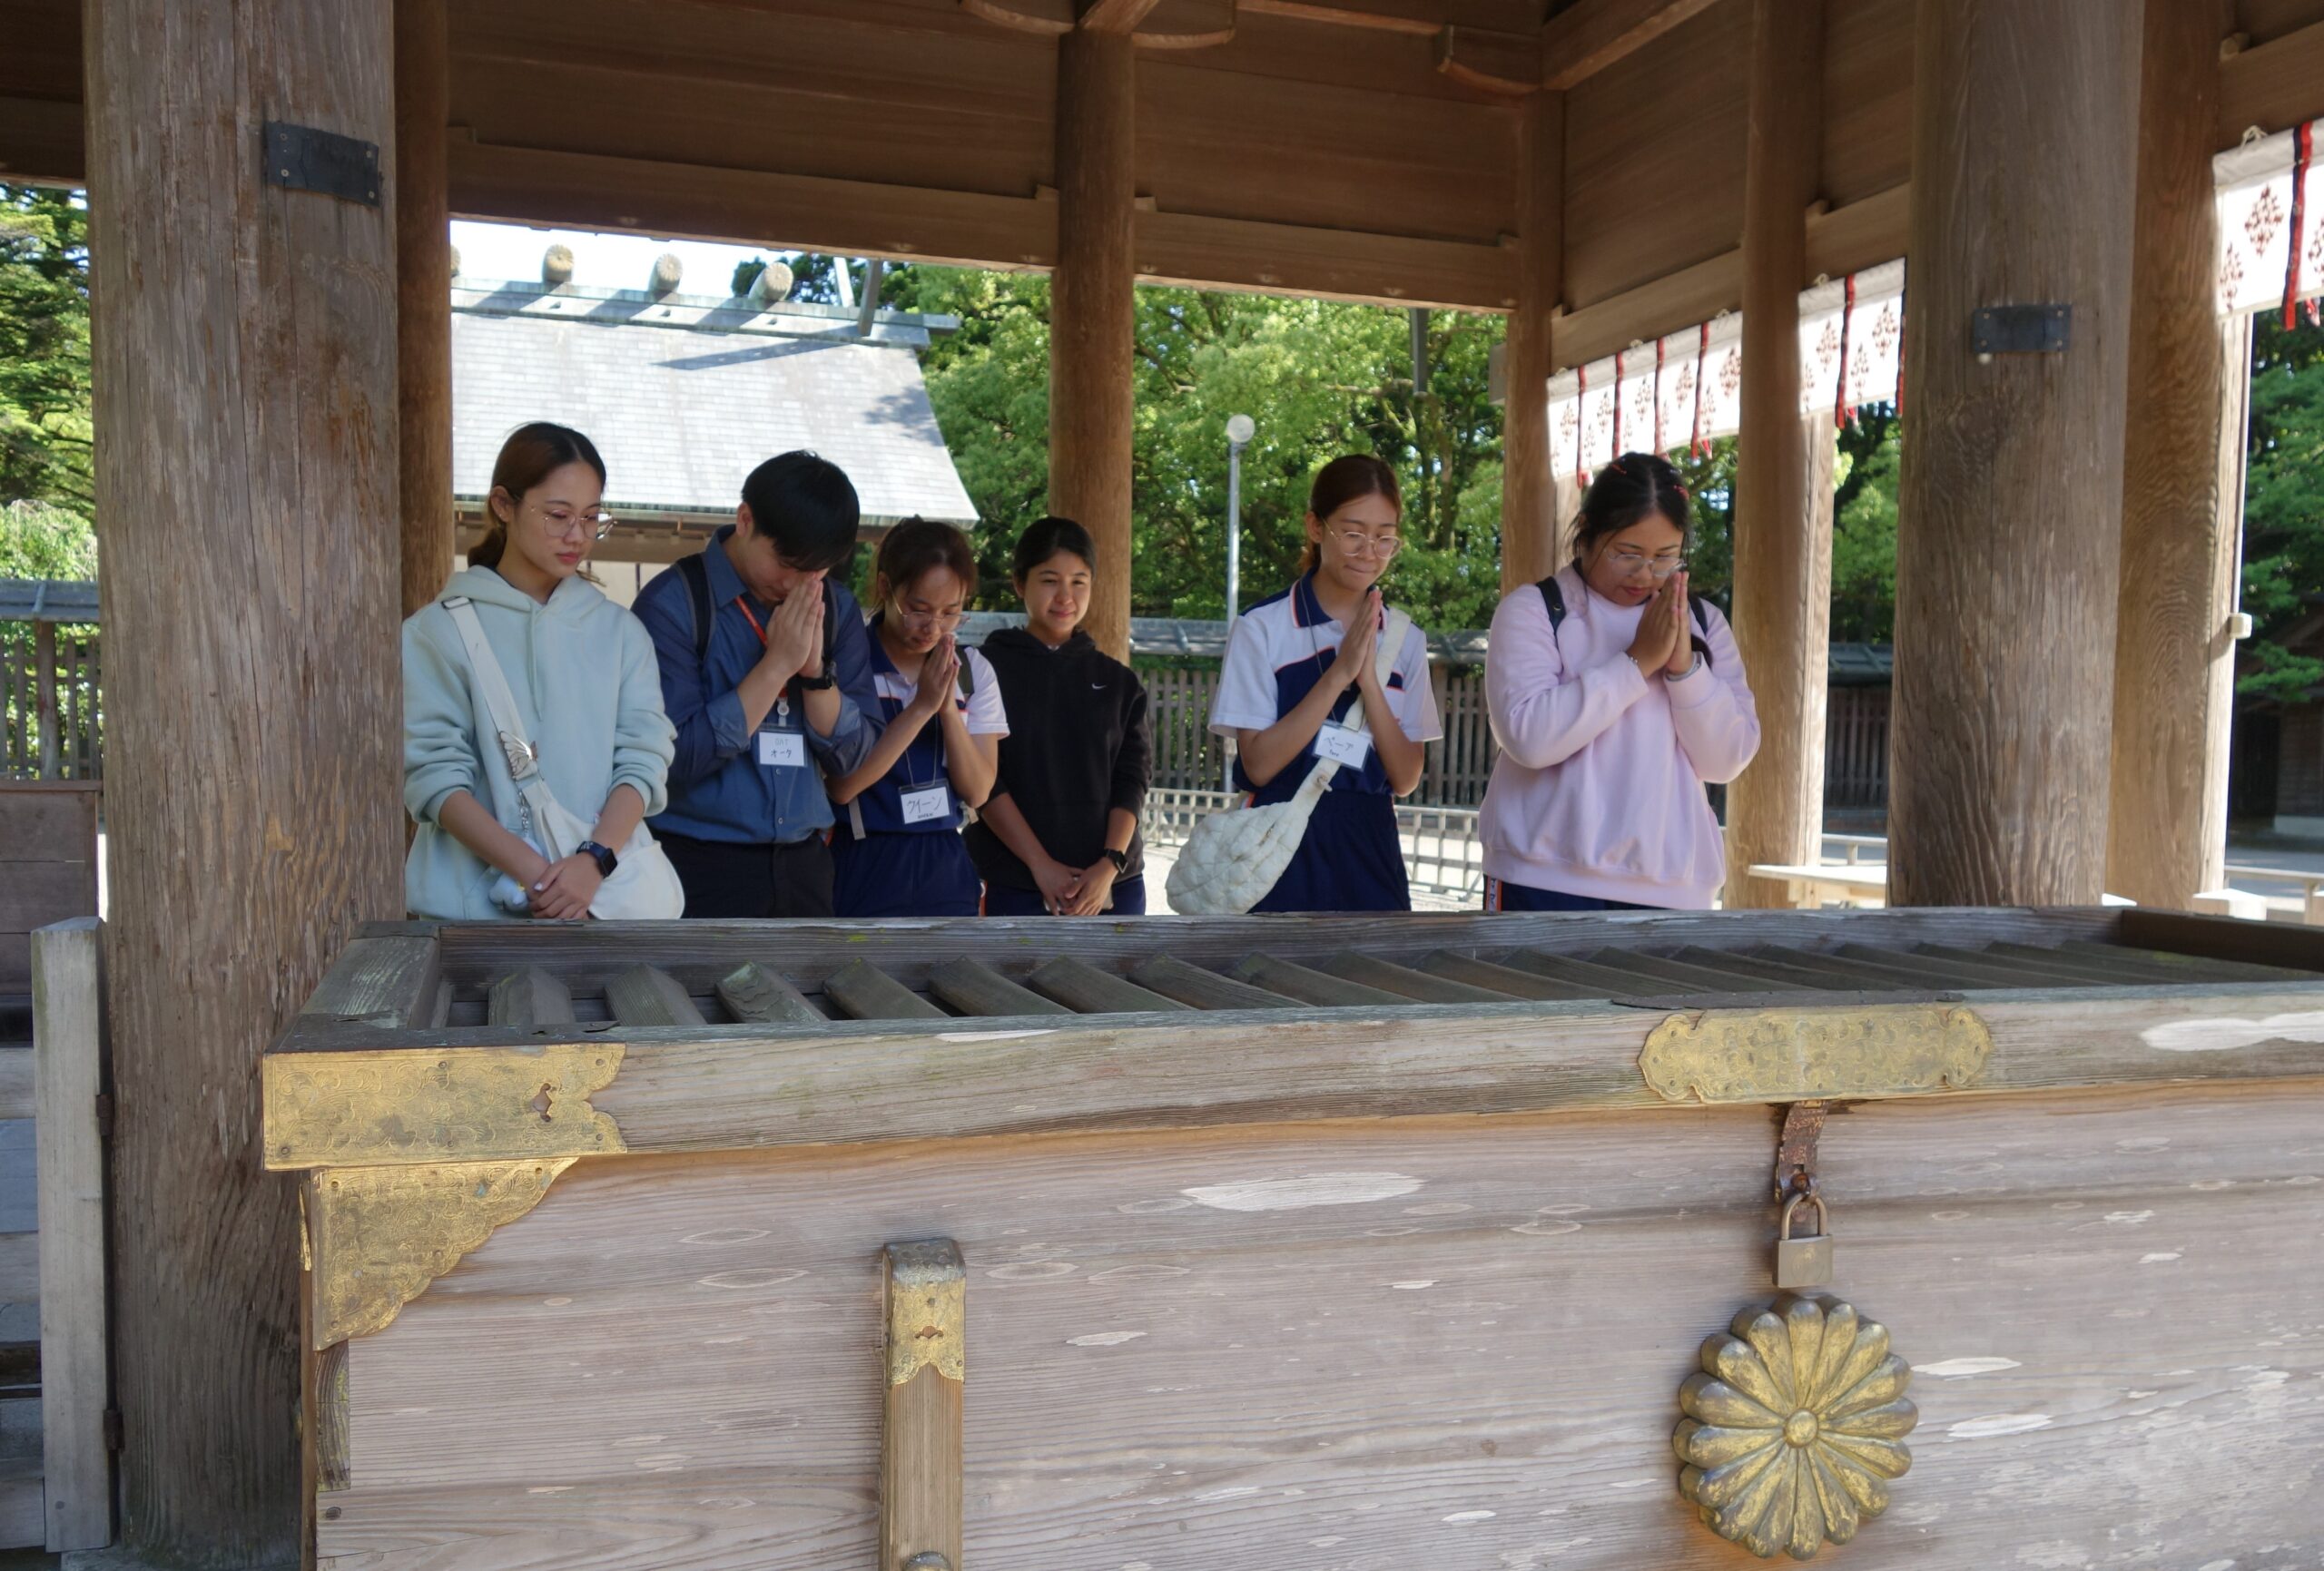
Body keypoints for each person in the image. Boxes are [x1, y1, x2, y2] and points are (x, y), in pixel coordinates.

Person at [402, 422, 675, 920]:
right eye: (557, 516)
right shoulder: (433, 632)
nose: (578, 536)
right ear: (503, 506)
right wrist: (545, 877)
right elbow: (434, 775)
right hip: (475, 916)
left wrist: (594, 863)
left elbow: (643, 757)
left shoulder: (621, 632)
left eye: (592, 518)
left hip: (605, 905)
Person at [1478, 450, 1760, 910]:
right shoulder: (1535, 611)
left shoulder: (1704, 623)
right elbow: (1528, 738)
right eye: (1626, 553)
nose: (1645, 574)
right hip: (1543, 877)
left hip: (1671, 886)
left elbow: (1725, 760)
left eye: (1665, 557)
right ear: (1586, 533)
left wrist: (1684, 670)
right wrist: (1635, 662)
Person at [632, 451, 879, 918]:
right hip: (695, 862)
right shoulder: (674, 604)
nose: (800, 584)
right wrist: (775, 668)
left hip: (804, 863)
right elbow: (672, 759)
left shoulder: (837, 609)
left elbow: (855, 757)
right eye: (788, 562)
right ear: (745, 520)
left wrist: (816, 677)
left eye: (820, 569)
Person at [1206, 454, 1442, 912]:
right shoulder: (1262, 628)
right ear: (1316, 527)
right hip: (1278, 844)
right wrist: (1338, 674)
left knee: (1374, 982)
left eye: (1384, 538)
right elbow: (1258, 766)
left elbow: (1407, 776)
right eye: (1353, 534)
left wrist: (1370, 683)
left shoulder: (1405, 639)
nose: (1369, 551)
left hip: (1370, 845)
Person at [964, 516, 1153, 916]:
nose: (1065, 596)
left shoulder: (1119, 682)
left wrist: (1108, 865)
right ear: (1020, 583)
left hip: (1112, 888)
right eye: (1050, 580)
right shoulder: (984, 669)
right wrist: (1040, 865)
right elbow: (983, 780)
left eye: (1079, 582)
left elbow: (1132, 779)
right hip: (1012, 882)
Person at [825, 518, 1007, 918]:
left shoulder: (972, 671)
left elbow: (977, 792)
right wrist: (921, 706)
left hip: (944, 857)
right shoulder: (848, 666)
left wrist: (946, 706)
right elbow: (843, 786)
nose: (934, 628)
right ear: (887, 588)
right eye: (919, 610)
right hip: (863, 855)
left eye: (951, 612)